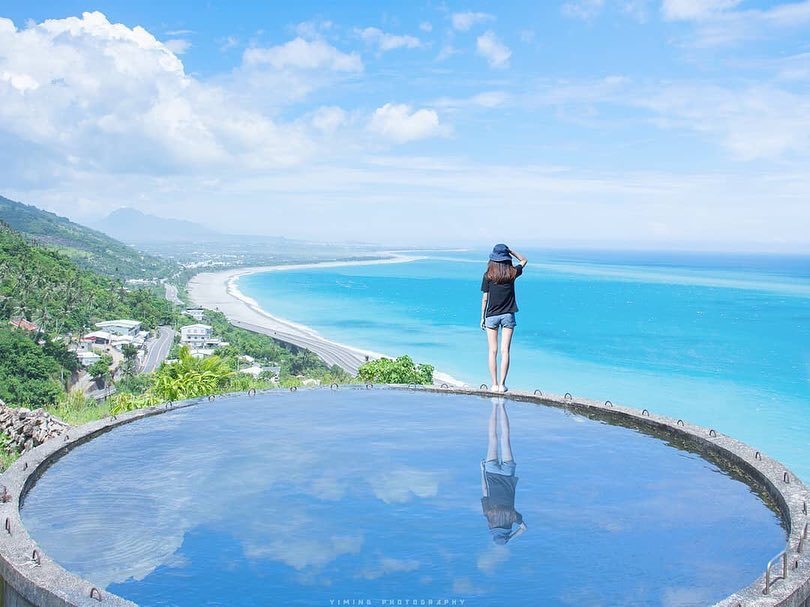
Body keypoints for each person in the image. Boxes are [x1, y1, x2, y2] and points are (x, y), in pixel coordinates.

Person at [480, 243, 528, 393]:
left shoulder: (488, 274)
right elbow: (524, 260)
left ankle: (493, 384)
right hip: (508, 315)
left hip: (491, 316)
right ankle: (502, 384)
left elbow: (485, 299)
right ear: (506, 258)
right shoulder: (512, 273)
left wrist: (482, 317)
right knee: (505, 351)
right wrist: (511, 251)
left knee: (492, 351)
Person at [481, 397, 526, 544]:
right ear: (493, 529)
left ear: (507, 529)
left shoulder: (513, 516)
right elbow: (485, 489)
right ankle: (495, 405)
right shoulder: (488, 514)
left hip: (507, 473)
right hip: (491, 472)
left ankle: (502, 406)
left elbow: (524, 528)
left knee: (505, 438)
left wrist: (510, 537)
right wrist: (482, 470)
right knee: (492, 437)